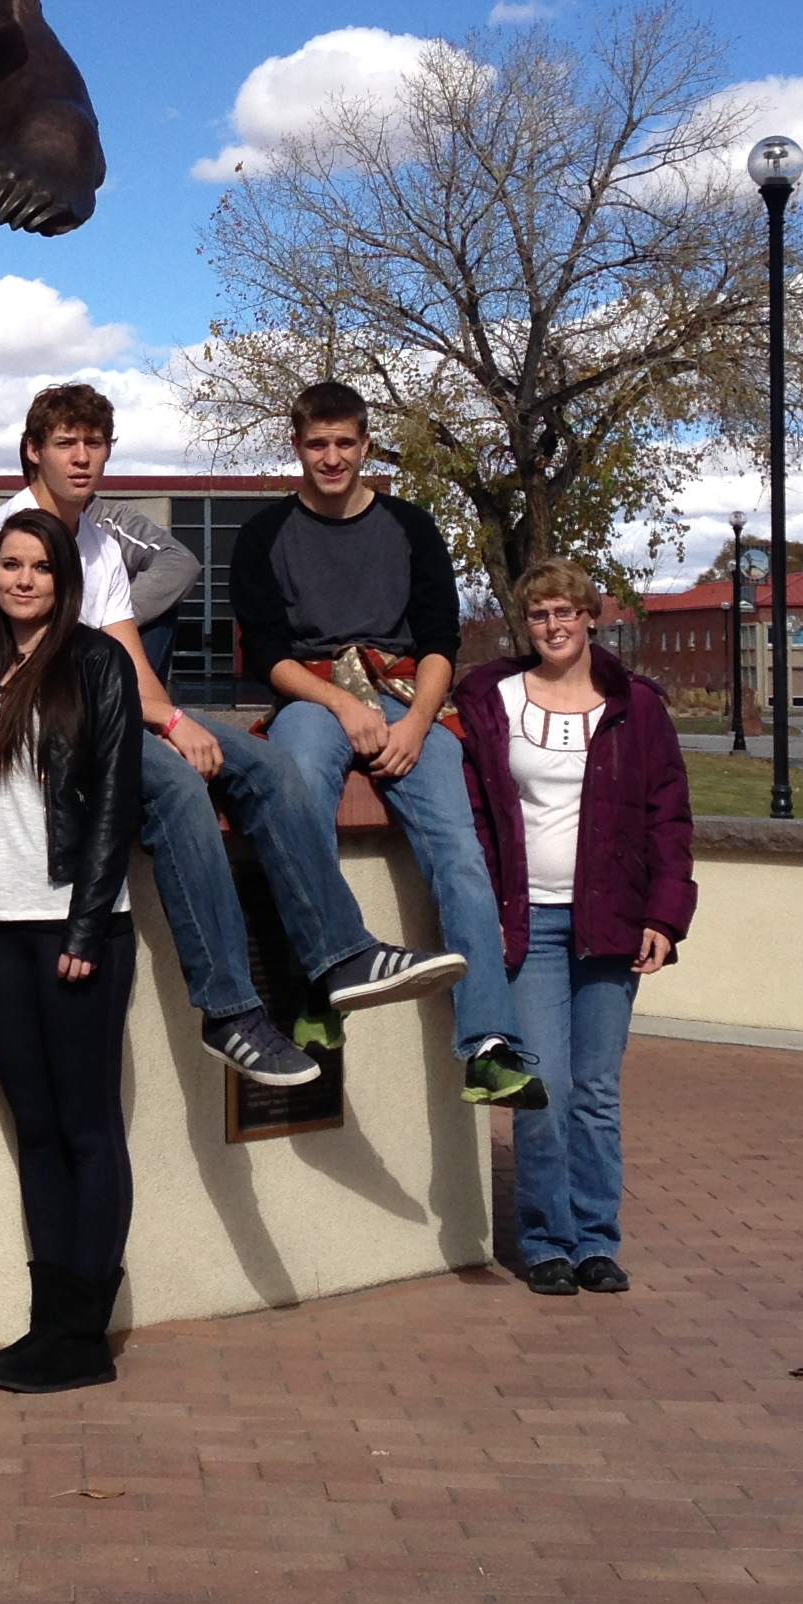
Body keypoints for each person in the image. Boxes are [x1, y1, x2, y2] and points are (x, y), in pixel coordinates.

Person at [0, 385, 460, 1094]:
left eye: (94, 443)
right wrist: (164, 724)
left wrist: (178, 717)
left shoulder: (95, 542)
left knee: (273, 770)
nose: (82, 457)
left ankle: (339, 955)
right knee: (180, 791)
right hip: (42, 738)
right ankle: (229, 1009)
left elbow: (128, 659)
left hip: (116, 713)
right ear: (33, 451)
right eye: (65, 443)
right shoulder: (1, 547)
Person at [234, 381, 544, 1111]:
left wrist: (414, 725)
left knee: (459, 849)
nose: (332, 457)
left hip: (410, 697)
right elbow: (267, 657)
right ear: (297, 446)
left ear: (367, 445)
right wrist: (342, 703)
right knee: (301, 787)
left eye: (346, 443)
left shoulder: (411, 526)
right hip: (313, 693)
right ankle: (324, 981)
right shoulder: (263, 535)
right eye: (318, 444)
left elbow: (440, 643)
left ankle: (490, 1045)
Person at [453, 559, 696, 1296]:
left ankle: (595, 1240)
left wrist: (666, 915)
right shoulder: (492, 701)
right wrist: (486, 910)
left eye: (566, 612)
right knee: (545, 1089)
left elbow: (669, 817)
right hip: (531, 926)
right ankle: (546, 1240)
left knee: (594, 1091)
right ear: (524, 625)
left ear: (592, 617)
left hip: (613, 923)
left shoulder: (638, 708)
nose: (553, 626)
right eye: (538, 615)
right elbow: (473, 818)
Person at [0, 509, 141, 1395]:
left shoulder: (96, 662)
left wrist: (89, 922)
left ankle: (83, 1335)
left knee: (85, 1125)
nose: (22, 580)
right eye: (9, 566)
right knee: (35, 1128)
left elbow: (114, 799)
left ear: (65, 578)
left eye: (39, 567)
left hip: (73, 919)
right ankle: (47, 1323)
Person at [86, 496, 198, 682]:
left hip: (103, 659)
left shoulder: (112, 519)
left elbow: (181, 563)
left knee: (160, 604)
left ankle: (137, 703)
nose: (80, 464)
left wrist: (113, 618)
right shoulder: (24, 520)